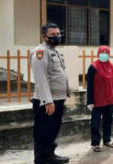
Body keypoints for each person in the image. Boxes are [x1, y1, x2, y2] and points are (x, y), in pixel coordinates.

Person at [30, 23, 69, 164]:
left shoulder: (54, 50)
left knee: (52, 129)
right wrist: (48, 101)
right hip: (47, 101)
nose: (57, 37)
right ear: (44, 37)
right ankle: (41, 159)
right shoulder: (40, 52)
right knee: (43, 131)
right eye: (53, 35)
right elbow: (41, 78)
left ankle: (49, 155)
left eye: (58, 33)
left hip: (57, 98)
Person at [86, 46, 113, 152]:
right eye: (102, 52)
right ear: (98, 53)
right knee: (95, 123)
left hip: (109, 99)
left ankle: (107, 140)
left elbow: (112, 83)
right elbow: (89, 85)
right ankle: (95, 143)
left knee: (108, 121)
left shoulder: (112, 67)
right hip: (97, 100)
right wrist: (89, 101)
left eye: (106, 52)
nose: (104, 54)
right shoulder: (93, 67)